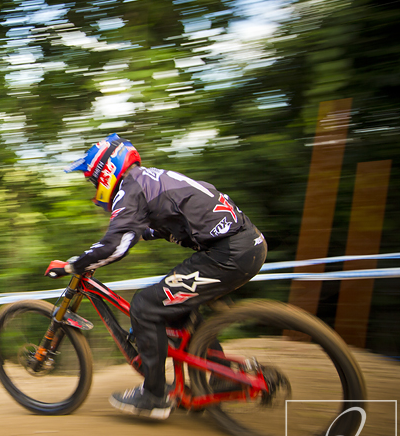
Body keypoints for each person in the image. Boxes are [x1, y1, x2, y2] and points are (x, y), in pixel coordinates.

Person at [45, 133, 267, 420]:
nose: (94, 186)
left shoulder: (130, 188)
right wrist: (126, 237)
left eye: (93, 179)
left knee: (145, 306)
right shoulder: (149, 179)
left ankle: (154, 395)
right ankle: (221, 375)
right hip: (246, 245)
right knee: (175, 307)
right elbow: (156, 224)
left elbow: (116, 245)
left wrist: (72, 266)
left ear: (106, 171)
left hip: (228, 254)